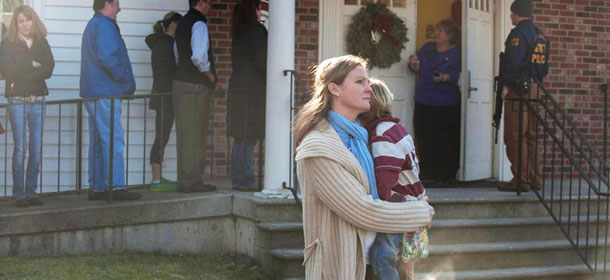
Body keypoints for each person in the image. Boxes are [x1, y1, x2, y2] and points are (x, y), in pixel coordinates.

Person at [294, 55, 434, 280]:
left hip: (380, 260)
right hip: (345, 265)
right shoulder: (319, 146)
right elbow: (361, 209)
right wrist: (419, 212)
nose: (368, 88)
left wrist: (412, 200)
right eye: (360, 82)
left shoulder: (362, 137)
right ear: (334, 89)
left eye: (368, 82)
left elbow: (380, 191)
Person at [360, 78, 427, 280]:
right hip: (413, 201)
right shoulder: (397, 128)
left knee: (382, 255)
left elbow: (386, 179)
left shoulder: (382, 134)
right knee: (401, 259)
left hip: (400, 206)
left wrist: (379, 202)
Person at [80, 0, 140, 201]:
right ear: (107, 5)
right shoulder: (105, 25)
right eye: (116, 4)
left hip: (94, 92)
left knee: (98, 142)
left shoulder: (93, 24)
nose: (119, 8)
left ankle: (97, 188)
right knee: (114, 139)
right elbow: (108, 58)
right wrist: (124, 76)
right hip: (106, 92)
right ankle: (116, 186)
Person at [0, 5, 54, 207]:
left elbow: (49, 68)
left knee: (36, 149)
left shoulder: (41, 42)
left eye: (28, 20)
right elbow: (8, 70)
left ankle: (31, 191)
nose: (25, 24)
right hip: (18, 101)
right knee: (20, 148)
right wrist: (31, 64)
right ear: (16, 24)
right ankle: (19, 194)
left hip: (38, 100)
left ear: (34, 21)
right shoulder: (7, 44)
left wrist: (26, 70)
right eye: (20, 21)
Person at [408, 19, 461, 184]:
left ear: (450, 36)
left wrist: (445, 77)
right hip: (425, 100)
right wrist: (414, 64)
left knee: (445, 141)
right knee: (425, 138)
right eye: (437, 30)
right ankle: (428, 173)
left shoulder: (456, 52)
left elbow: (461, 73)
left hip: (447, 103)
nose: (437, 33)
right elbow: (415, 68)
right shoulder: (427, 48)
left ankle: (446, 175)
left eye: (441, 31)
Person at [498, 0, 543, 192]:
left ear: (517, 13)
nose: (510, 17)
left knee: (515, 136)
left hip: (519, 90)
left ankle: (521, 179)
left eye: (511, 14)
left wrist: (507, 85)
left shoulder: (518, 34)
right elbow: (543, 67)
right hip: (535, 89)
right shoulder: (540, 35)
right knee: (530, 136)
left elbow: (513, 63)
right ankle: (534, 179)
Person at [173, 0, 217, 193]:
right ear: (201, 3)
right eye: (209, 2)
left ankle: (185, 178)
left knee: (184, 132)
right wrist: (210, 75)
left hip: (180, 83)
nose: (211, 6)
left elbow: (176, 54)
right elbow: (198, 56)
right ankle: (192, 180)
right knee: (194, 133)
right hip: (194, 85)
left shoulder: (182, 22)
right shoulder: (198, 23)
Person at [227, 0, 267, 191]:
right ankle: (246, 179)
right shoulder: (257, 32)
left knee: (240, 136)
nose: (261, 12)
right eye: (259, 8)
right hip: (253, 90)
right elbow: (262, 61)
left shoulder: (238, 31)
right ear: (254, 10)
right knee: (250, 135)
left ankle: (238, 178)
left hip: (238, 87)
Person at [145, 11, 182, 192]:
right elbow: (165, 73)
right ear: (173, 24)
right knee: (161, 136)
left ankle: (158, 178)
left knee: (163, 136)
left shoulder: (164, 44)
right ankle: (156, 181)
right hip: (165, 97)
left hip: (165, 96)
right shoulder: (164, 45)